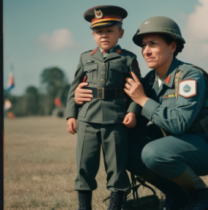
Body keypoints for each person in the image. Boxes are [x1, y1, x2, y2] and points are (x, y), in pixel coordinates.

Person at [74, 16, 208, 210]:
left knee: (153, 152)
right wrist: (84, 96)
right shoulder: (148, 81)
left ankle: (201, 196)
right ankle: (176, 193)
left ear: (172, 46)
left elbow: (179, 124)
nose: (146, 51)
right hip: (173, 145)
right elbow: (124, 110)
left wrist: (142, 99)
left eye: (153, 44)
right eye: (144, 45)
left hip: (204, 145)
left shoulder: (189, 75)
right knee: (122, 146)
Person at [65, 5, 141, 210]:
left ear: (121, 33)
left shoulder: (128, 59)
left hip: (116, 119)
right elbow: (74, 88)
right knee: (84, 165)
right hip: (87, 119)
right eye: (99, 31)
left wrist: (133, 111)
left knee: (116, 166)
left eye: (109, 30)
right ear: (93, 34)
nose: (104, 35)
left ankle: (115, 206)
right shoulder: (85, 58)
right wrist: (71, 115)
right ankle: (84, 207)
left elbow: (137, 89)